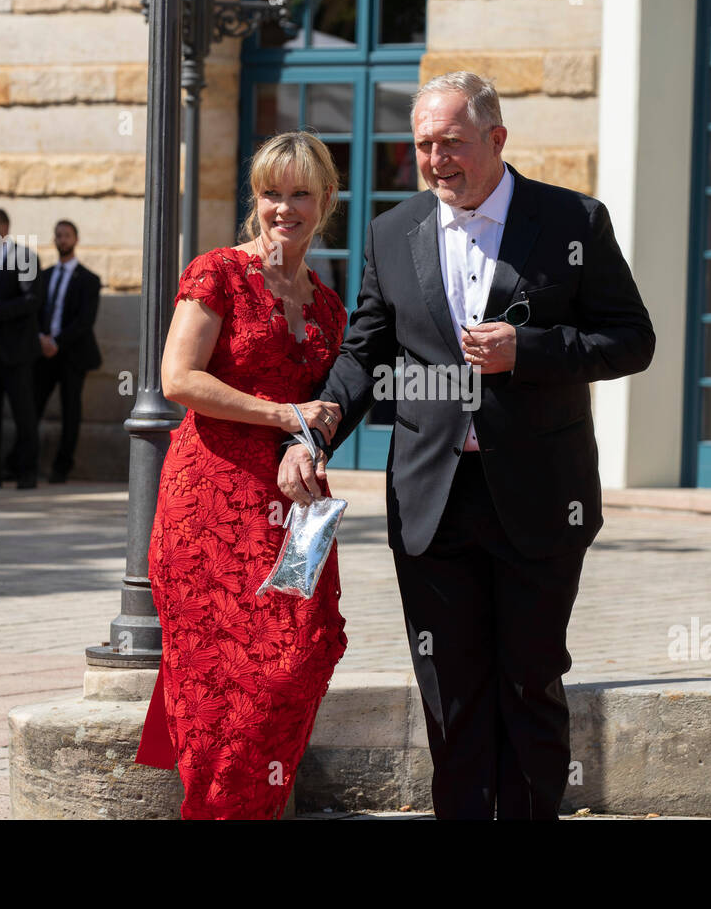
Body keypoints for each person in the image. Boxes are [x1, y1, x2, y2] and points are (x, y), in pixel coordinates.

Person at [277, 72, 656, 819]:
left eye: (451, 142)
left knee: (531, 681)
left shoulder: (574, 220)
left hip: (543, 497)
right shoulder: (393, 230)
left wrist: (532, 350)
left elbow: (631, 339)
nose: (435, 159)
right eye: (422, 144)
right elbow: (364, 353)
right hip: (430, 502)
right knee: (447, 691)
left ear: (497, 140)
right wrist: (315, 427)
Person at [134, 131, 348, 820]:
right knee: (222, 675)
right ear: (255, 199)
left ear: (325, 201)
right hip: (210, 499)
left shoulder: (327, 304)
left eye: (299, 194)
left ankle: (253, 806)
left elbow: (328, 406)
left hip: (295, 505)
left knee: (304, 651)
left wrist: (306, 440)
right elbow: (178, 378)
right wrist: (285, 414)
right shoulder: (218, 272)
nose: (283, 208)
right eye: (270, 193)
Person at [33, 220, 101, 483]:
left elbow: (85, 321)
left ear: (76, 239)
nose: (62, 240)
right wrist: (42, 339)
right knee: (32, 406)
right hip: (44, 353)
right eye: (58, 235)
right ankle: (22, 461)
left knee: (70, 411)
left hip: (72, 354)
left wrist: (57, 341)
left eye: (67, 235)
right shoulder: (45, 275)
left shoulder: (88, 280)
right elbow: (36, 310)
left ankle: (62, 467)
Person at [0, 207, 42, 488]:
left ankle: (27, 472)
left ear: (4, 227)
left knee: (23, 415)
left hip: (16, 352)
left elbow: (32, 301)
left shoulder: (24, 256)